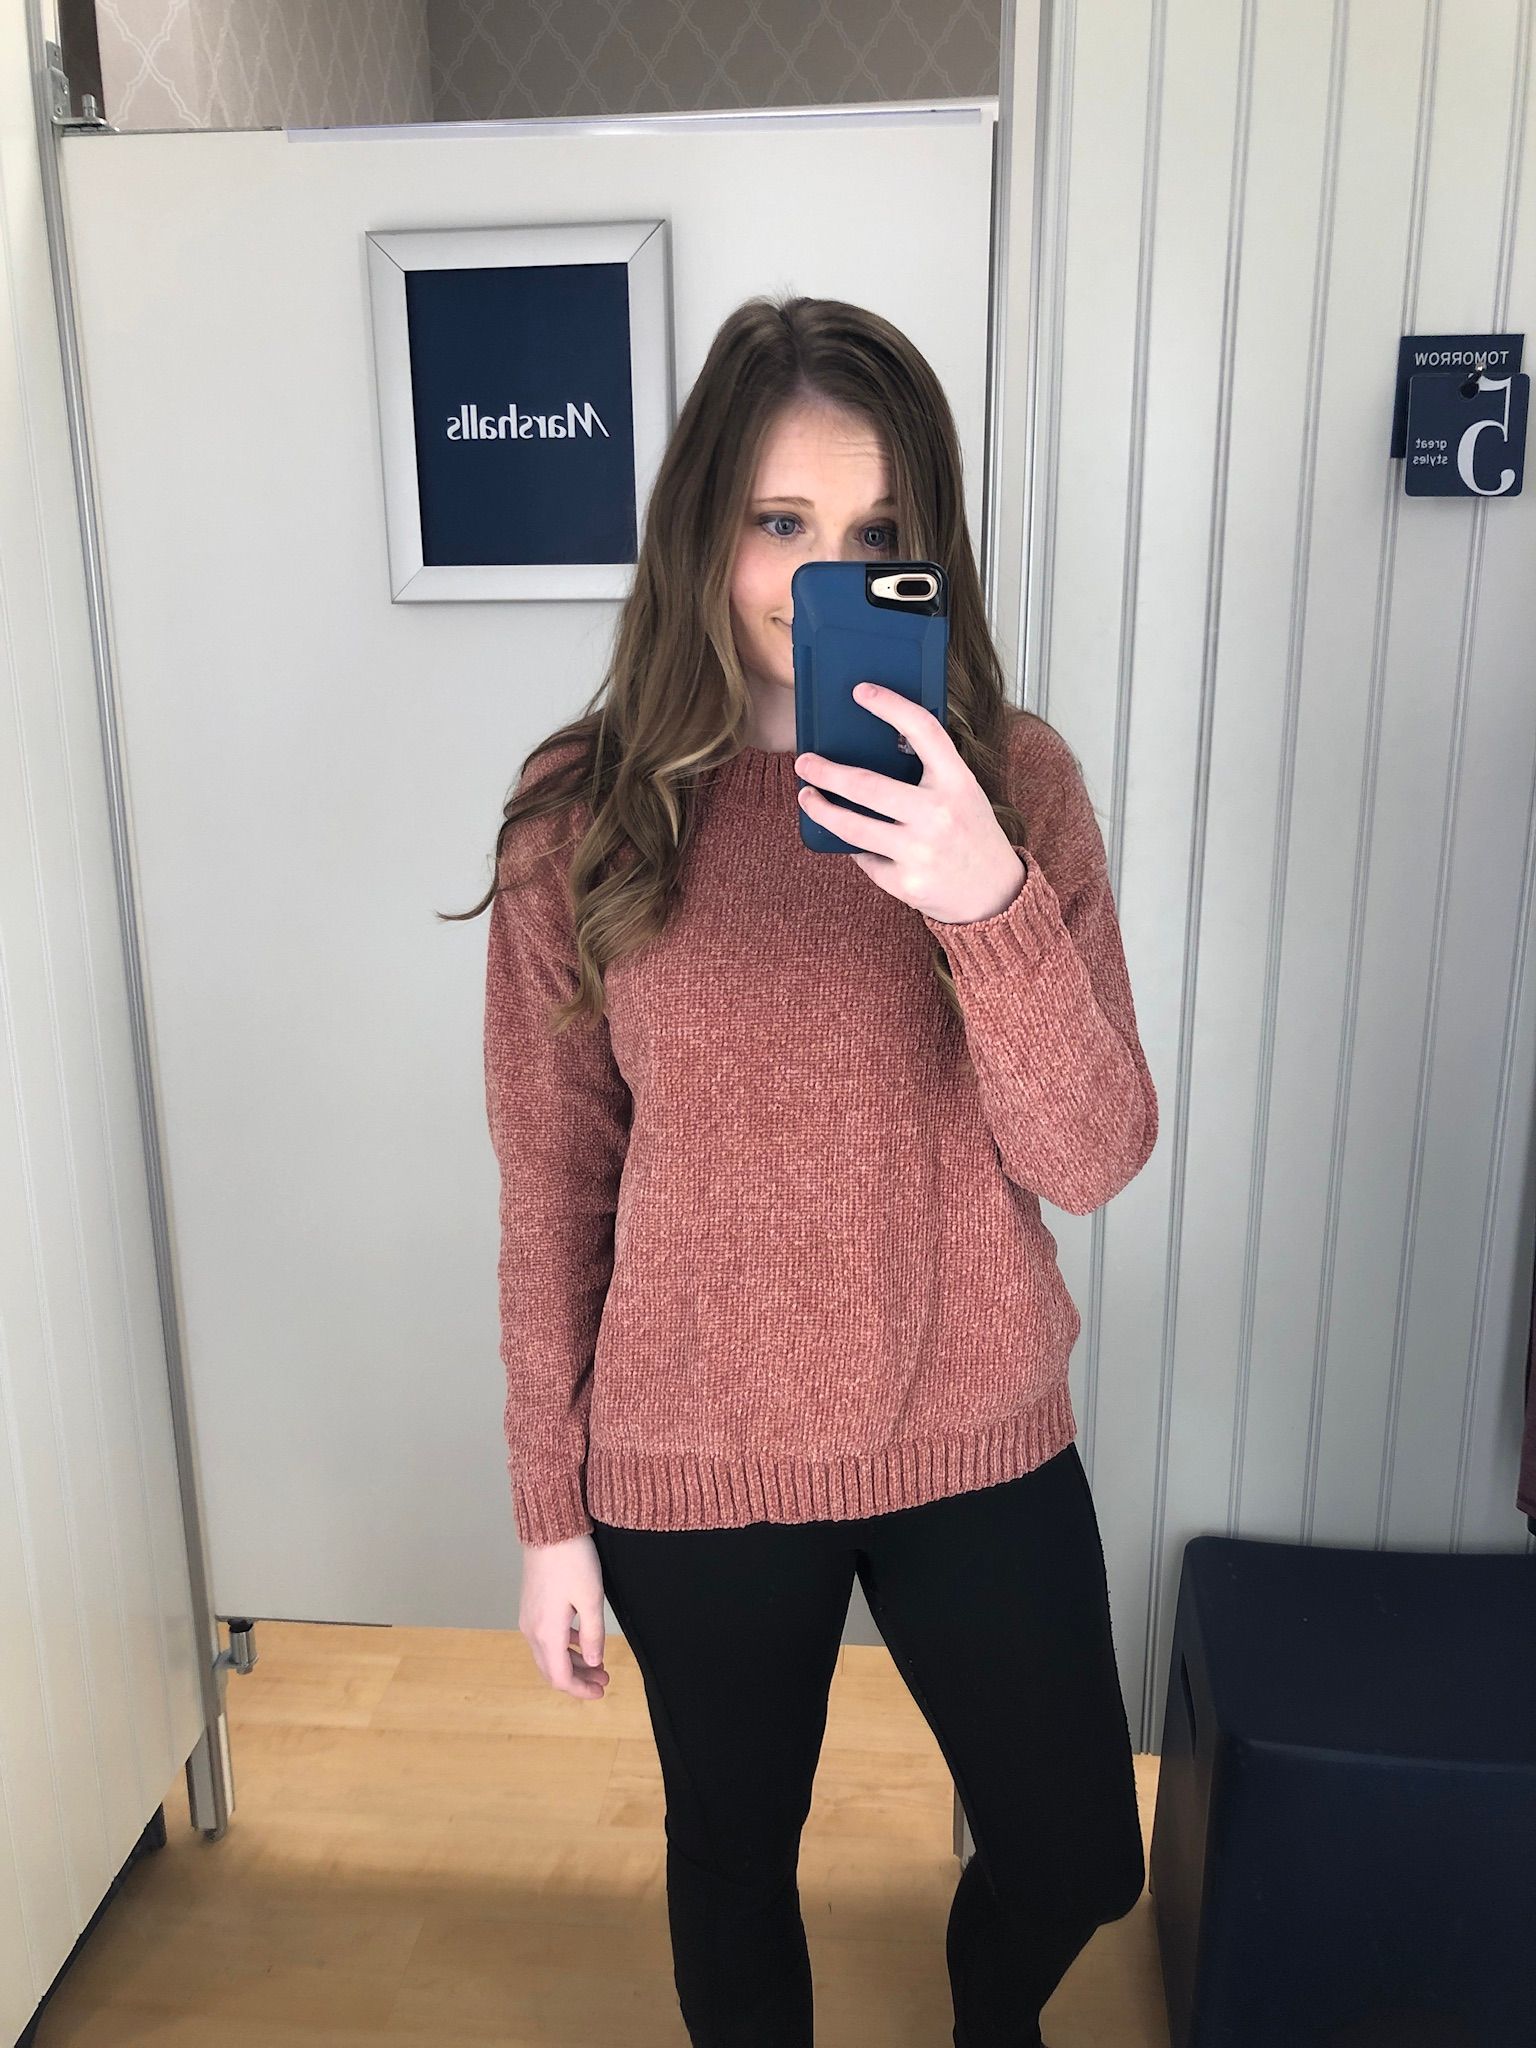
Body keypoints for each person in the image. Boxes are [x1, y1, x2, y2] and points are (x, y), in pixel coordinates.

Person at [454, 294, 1159, 2047]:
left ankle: (990, 2019)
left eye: (878, 531)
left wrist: (985, 901)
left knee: (1080, 1855)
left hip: (974, 1417)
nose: (822, 572)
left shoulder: (1012, 785)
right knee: (734, 1870)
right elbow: (554, 1189)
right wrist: (548, 1512)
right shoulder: (583, 811)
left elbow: (1093, 1155)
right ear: (703, 523)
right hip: (696, 1450)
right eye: (781, 520)